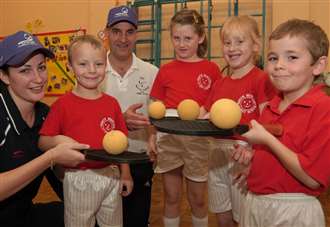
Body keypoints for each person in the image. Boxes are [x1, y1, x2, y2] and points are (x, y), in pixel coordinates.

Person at [234, 19, 330, 227]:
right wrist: (253, 164)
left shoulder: (323, 108)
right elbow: (277, 152)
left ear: (318, 65)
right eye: (273, 58)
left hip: (294, 210)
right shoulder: (271, 107)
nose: (279, 65)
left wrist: (267, 140)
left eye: (292, 57)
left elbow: (312, 178)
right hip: (256, 203)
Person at [38, 34, 133, 227]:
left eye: (98, 64)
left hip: (111, 174)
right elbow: (42, 142)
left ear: (105, 66)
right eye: (83, 64)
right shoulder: (62, 105)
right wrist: (58, 141)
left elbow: (122, 144)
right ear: (70, 67)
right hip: (78, 177)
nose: (91, 70)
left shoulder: (112, 104)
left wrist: (125, 174)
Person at [0, 31, 88, 227]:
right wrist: (51, 156)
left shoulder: (46, 115)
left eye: (41, 67)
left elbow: (59, 178)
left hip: (22, 214)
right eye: (25, 70)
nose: (38, 78)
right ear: (4, 76)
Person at [199, 15, 276, 227]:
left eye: (240, 42)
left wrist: (253, 150)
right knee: (221, 213)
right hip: (217, 151)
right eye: (227, 42)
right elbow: (204, 114)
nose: (232, 48)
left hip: (243, 152)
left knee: (244, 217)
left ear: (255, 46)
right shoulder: (219, 83)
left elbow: (266, 121)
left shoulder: (261, 79)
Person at [149, 9, 221, 227]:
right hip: (169, 136)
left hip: (198, 138)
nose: (181, 44)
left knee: (198, 200)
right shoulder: (166, 70)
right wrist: (152, 136)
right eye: (176, 38)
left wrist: (205, 111)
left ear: (200, 38)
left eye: (188, 38)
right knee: (171, 197)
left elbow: (217, 105)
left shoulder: (211, 69)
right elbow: (154, 108)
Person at [102, 5, 159, 227]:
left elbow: (157, 118)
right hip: (103, 164)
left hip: (139, 162)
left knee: (136, 221)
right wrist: (120, 122)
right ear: (106, 33)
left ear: (137, 34)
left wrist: (154, 136)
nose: (123, 38)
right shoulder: (93, 72)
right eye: (116, 31)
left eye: (129, 31)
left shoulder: (152, 73)